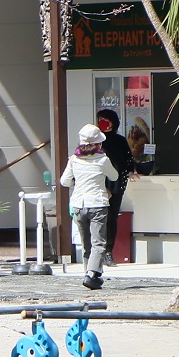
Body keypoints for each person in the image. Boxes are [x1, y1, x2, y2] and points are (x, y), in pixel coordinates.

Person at [59, 125, 119, 291]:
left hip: (78, 204)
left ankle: (91, 274)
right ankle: (92, 274)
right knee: (99, 243)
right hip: (98, 204)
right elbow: (114, 176)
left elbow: (64, 182)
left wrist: (77, 180)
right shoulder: (102, 160)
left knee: (86, 244)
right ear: (98, 144)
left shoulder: (73, 159)